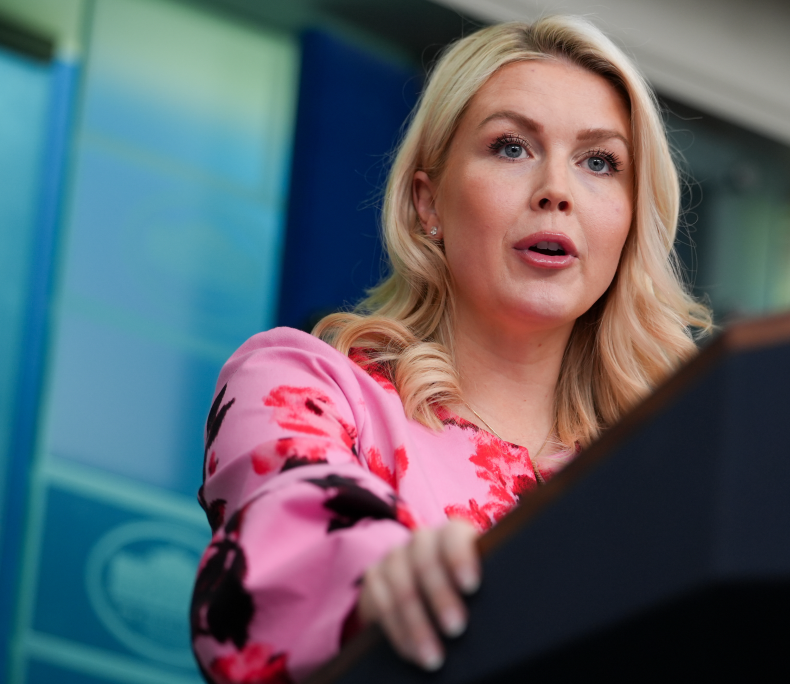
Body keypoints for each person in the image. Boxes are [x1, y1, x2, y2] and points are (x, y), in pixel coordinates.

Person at [190, 15, 711, 683]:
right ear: (427, 203)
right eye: (511, 147)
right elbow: (284, 527)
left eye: (599, 162)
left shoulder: (658, 477)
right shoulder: (303, 381)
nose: (556, 190)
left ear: (632, 220)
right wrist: (385, 572)